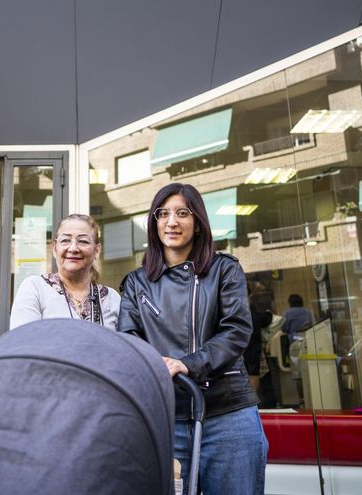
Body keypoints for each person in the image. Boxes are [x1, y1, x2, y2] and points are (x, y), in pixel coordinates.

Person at [118, 183, 267, 495]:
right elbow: (129, 340)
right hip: (166, 417)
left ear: (198, 223)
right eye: (163, 214)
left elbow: (236, 331)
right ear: (154, 222)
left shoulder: (225, 270)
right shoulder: (136, 283)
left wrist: (187, 364)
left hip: (227, 416)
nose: (172, 222)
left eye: (182, 213)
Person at [10, 214, 120, 330]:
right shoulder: (35, 288)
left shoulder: (112, 298)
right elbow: (22, 343)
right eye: (65, 240)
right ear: (54, 249)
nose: (73, 248)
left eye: (83, 241)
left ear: (97, 250)